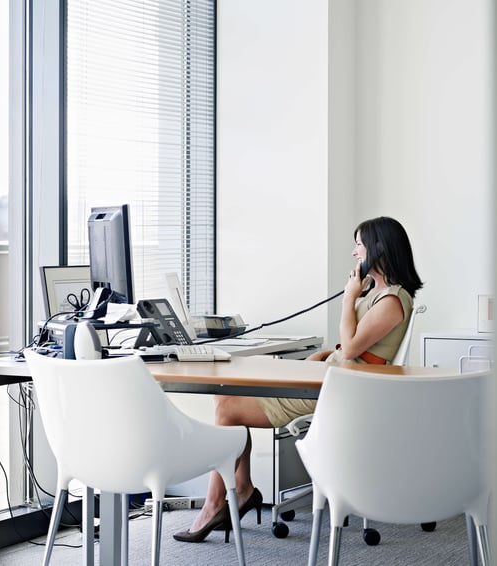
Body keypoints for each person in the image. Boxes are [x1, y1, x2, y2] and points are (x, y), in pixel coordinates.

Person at [173, 216, 423, 543]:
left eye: (359, 245)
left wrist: (349, 297)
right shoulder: (377, 294)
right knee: (225, 398)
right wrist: (325, 354)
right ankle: (240, 490)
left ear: (377, 249)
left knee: (228, 409)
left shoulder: (391, 300)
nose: (354, 253)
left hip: (338, 392)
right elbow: (355, 348)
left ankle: (217, 503)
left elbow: (351, 348)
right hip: (332, 380)